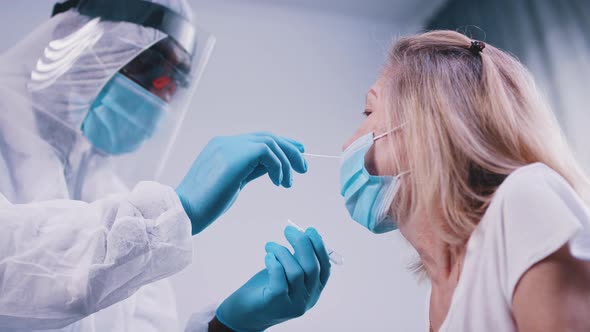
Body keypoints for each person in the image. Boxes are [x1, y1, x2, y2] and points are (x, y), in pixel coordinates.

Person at [0, 0, 330, 331]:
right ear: (78, 43)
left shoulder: (115, 200)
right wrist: (175, 212)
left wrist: (226, 326)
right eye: (151, 66)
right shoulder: (140, 225)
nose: (162, 92)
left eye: (176, 80)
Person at [340, 30, 590, 331]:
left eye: (369, 111)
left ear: (426, 127)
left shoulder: (524, 200)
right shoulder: (437, 296)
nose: (346, 146)